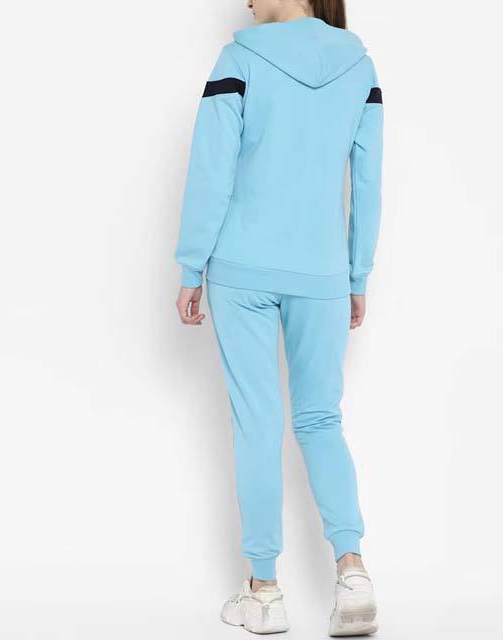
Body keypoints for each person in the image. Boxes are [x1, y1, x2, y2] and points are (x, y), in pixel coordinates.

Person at [174, 0, 384, 635]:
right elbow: (367, 181)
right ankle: (353, 572)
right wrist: (356, 274)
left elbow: (211, 169)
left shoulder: (240, 59)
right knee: (320, 420)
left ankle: (264, 593)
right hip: (322, 274)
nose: (245, 1)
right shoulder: (359, 66)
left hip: (241, 270)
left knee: (258, 424)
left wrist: (191, 266)